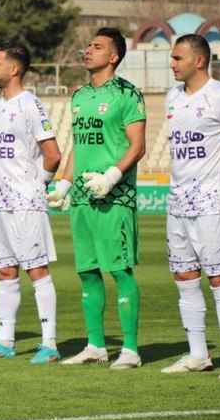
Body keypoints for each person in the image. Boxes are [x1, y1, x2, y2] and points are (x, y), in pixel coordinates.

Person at [47, 27, 146, 369]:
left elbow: (138, 146)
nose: (88, 50)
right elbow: (78, 145)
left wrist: (111, 177)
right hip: (83, 200)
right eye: (88, 45)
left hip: (115, 198)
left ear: (114, 56)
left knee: (119, 270)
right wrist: (64, 184)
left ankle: (130, 349)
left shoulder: (127, 94)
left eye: (97, 46)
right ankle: (96, 346)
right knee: (88, 272)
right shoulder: (79, 96)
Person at [161, 34, 220, 379]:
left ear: (199, 61)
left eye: (178, 58)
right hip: (178, 202)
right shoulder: (172, 97)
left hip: (212, 203)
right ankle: (198, 354)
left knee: (219, 277)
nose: (172, 63)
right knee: (184, 276)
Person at [0, 43, 62, 362]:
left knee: (36, 270)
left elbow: (53, 155)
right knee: (5, 272)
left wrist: (39, 185)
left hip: (25, 202)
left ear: (14, 69)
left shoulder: (31, 104)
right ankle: (5, 342)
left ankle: (49, 344)